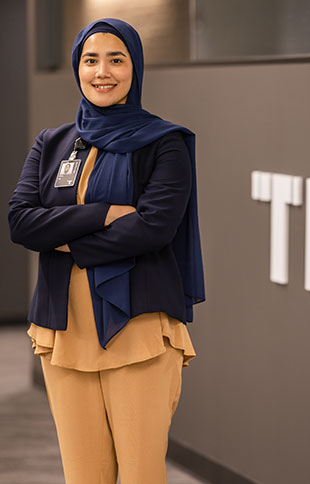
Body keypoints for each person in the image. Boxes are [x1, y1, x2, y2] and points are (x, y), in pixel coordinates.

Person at [8, 18, 205, 484]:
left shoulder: (165, 142)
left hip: (136, 323)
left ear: (135, 67)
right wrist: (103, 214)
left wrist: (60, 238)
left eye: (116, 59)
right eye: (90, 60)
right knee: (83, 475)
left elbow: (153, 229)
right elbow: (21, 221)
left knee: (140, 473)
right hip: (63, 327)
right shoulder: (52, 143)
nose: (102, 72)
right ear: (77, 67)